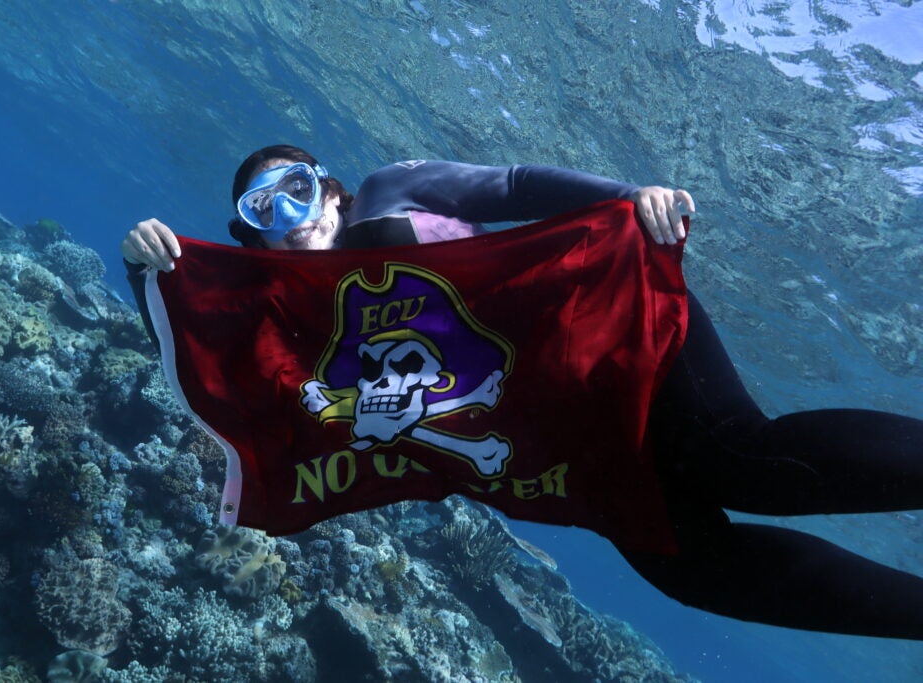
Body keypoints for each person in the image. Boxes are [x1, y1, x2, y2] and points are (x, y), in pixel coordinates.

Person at [123, 144, 923, 640]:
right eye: (263, 210)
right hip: (567, 441)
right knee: (688, 567)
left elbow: (506, 186)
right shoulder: (295, 327)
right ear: (250, 236)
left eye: (297, 189)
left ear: (330, 192)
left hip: (612, 345)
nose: (288, 216)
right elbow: (211, 365)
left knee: (741, 458)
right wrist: (144, 275)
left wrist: (622, 198)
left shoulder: (388, 192)